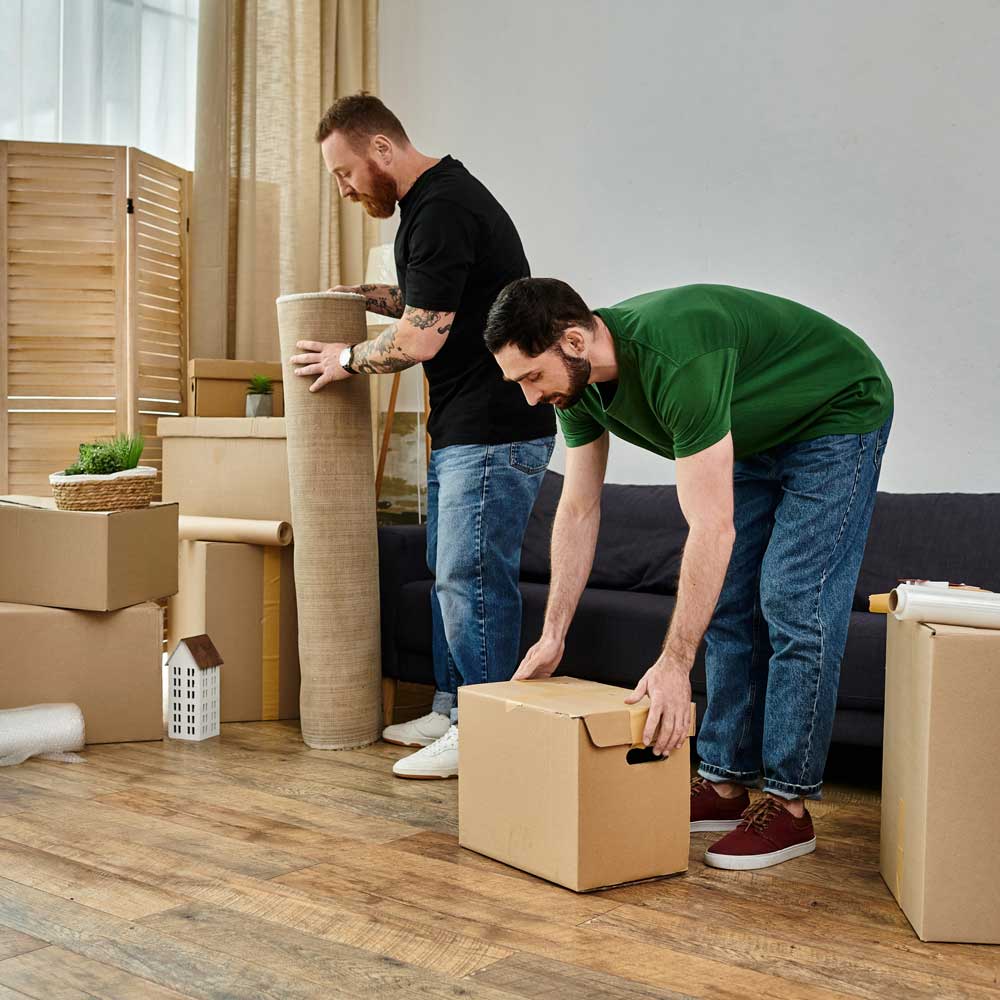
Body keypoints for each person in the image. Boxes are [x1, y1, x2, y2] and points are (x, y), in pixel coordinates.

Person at [484, 279, 892, 870]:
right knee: (726, 600)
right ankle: (725, 783)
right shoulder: (577, 391)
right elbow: (578, 507)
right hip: (754, 427)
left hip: (837, 411)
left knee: (793, 599)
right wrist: (553, 634)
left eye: (530, 377)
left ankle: (789, 806)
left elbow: (712, 527)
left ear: (574, 340)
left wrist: (674, 664)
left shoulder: (677, 360)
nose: (528, 397)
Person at [290, 94, 555, 778]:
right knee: (449, 574)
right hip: (464, 426)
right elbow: (430, 299)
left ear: (381, 149)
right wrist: (361, 295)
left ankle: (483, 727)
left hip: (496, 428)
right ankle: (448, 706)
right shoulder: (430, 205)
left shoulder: (442, 208)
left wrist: (345, 359)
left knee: (472, 579)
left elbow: (421, 336)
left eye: (345, 173)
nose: (345, 189)